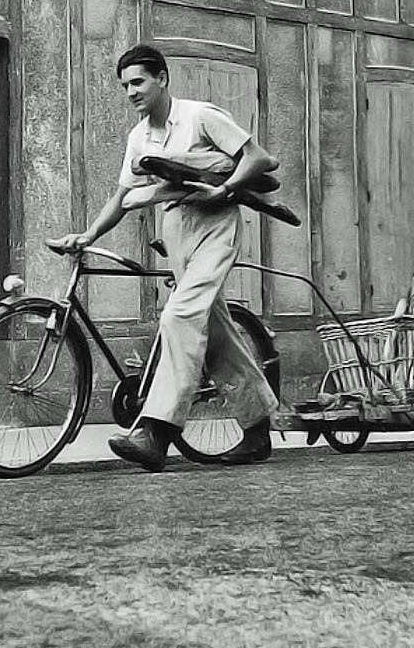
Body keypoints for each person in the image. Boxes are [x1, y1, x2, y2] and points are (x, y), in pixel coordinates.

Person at [57, 44, 280, 473]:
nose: (130, 92)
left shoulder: (201, 116)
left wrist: (226, 188)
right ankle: (257, 434)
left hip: (215, 225)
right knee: (216, 336)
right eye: (124, 85)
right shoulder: (138, 137)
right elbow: (123, 198)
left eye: (138, 81)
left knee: (179, 317)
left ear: (162, 78)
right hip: (176, 229)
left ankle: (156, 431)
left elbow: (259, 159)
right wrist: (87, 235)